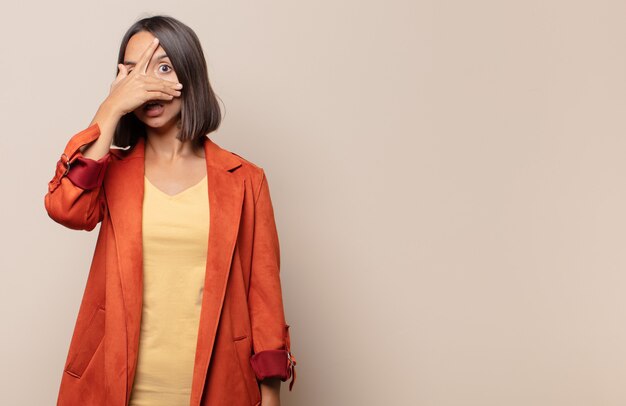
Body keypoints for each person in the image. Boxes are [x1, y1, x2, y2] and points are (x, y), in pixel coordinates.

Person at [44, 15, 296, 406]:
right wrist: (109, 110)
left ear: (189, 76)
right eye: (133, 72)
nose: (149, 85)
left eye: (162, 67)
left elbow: (263, 296)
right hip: (115, 386)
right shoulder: (109, 172)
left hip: (220, 387)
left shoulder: (245, 180)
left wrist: (271, 393)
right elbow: (66, 208)